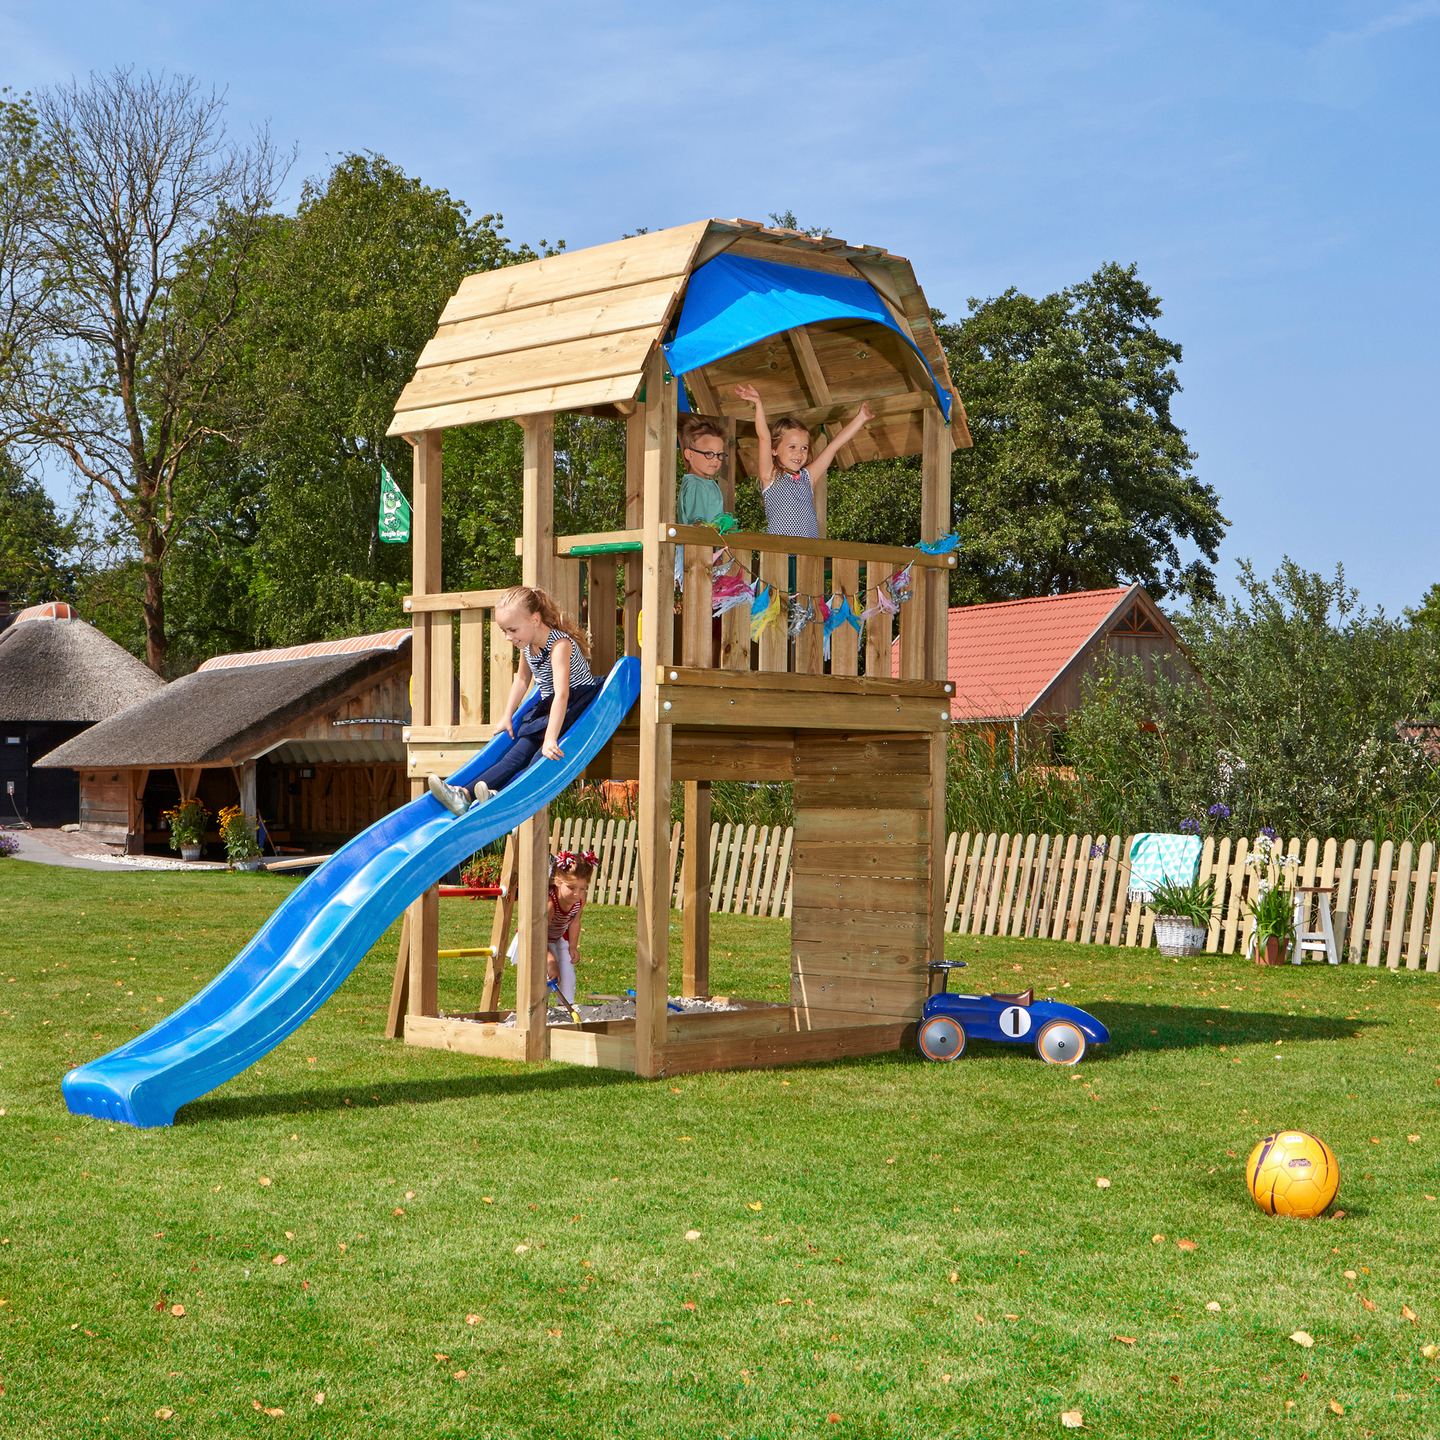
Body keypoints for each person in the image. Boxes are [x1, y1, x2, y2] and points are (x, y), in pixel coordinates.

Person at [426, 586, 600, 816]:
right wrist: (507, 716)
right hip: (550, 707)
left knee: (541, 758)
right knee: (514, 756)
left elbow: (563, 694)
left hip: (576, 705)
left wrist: (550, 738)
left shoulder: (560, 646)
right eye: (504, 631)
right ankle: (464, 795)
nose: (508, 637)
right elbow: (521, 680)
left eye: (513, 629)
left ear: (535, 620)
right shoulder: (527, 646)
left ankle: (502, 795)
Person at [733, 383, 873, 539]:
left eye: (804, 448)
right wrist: (758, 404)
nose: (798, 453)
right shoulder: (770, 476)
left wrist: (861, 418)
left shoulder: (808, 477)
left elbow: (834, 446)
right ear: (774, 449)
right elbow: (765, 437)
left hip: (808, 554)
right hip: (780, 554)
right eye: (792, 447)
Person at [505, 849, 595, 1006]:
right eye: (572, 887)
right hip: (538, 939)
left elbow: (575, 921)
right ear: (558, 881)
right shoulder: (550, 904)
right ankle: (541, 1009)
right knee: (548, 976)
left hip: (559, 937)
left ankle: (566, 1008)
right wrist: (551, 960)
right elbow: (537, 935)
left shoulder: (580, 900)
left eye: (582, 888)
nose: (577, 894)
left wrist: (573, 946)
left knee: (568, 977)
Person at [675, 417, 729, 586]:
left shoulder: (706, 482)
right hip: (700, 558)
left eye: (719, 455)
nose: (715, 460)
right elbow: (698, 525)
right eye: (708, 454)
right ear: (689, 454)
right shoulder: (695, 484)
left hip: (706, 556)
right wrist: (713, 556)